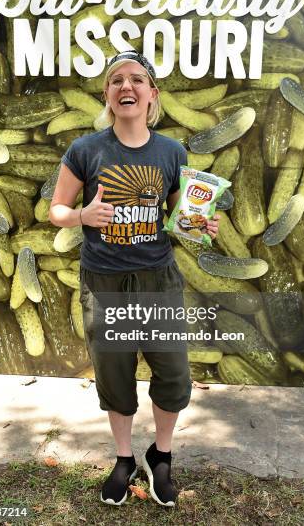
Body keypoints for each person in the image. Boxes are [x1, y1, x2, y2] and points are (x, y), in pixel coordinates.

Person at [49, 50, 220, 507]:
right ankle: (124, 458)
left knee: (173, 373)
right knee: (114, 374)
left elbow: (183, 218)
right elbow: (56, 210)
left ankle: (160, 455)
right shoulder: (85, 150)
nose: (127, 87)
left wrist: (201, 225)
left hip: (156, 280)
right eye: (117, 80)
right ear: (107, 94)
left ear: (152, 95)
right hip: (104, 281)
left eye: (137, 80)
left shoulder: (171, 151)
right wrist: (82, 213)